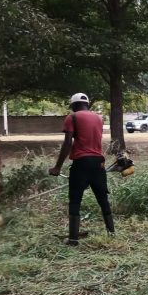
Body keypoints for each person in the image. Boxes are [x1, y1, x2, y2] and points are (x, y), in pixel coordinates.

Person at [49, 93, 114, 245]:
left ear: (73, 105)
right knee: (102, 198)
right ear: (87, 104)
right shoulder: (99, 118)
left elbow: (67, 144)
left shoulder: (72, 118)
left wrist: (57, 167)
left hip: (81, 163)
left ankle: (73, 239)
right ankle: (111, 232)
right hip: (98, 163)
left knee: (75, 200)